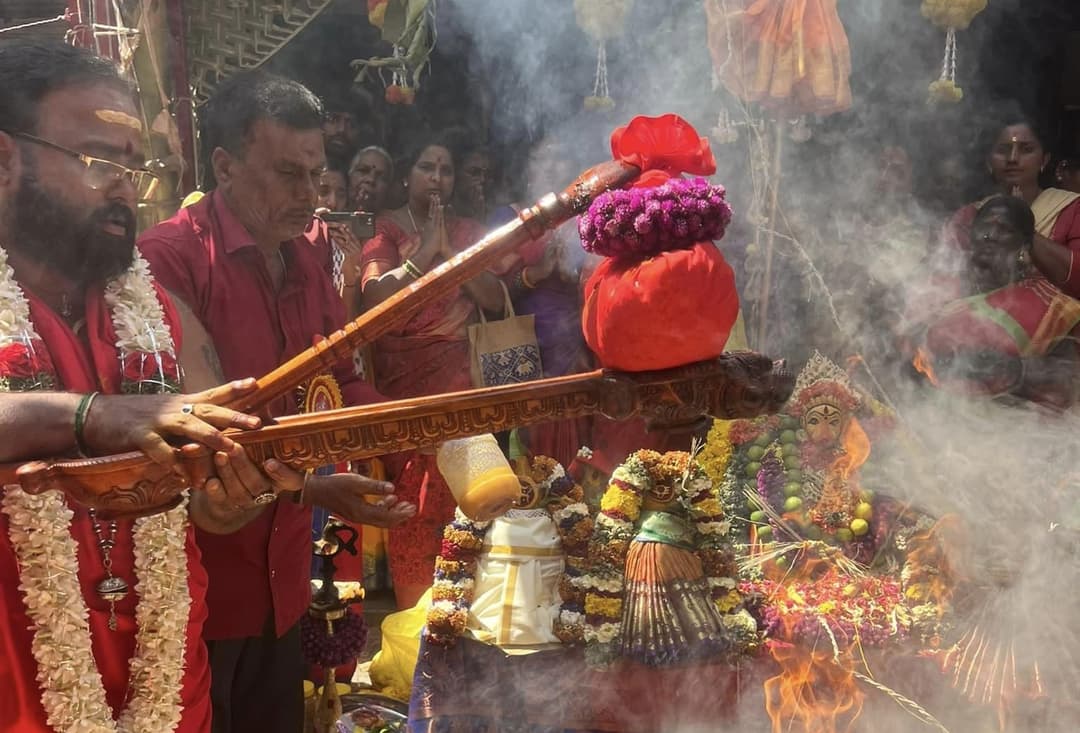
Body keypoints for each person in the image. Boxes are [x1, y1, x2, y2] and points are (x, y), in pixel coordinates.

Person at [0, 40, 294, 733]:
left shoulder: (155, 311)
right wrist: (97, 416)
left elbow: (204, 471)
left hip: (158, 671)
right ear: (5, 160)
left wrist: (225, 496)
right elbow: (130, 419)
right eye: (99, 160)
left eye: (134, 167)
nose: (123, 187)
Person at [139, 71, 416, 733]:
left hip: (283, 576)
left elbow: (338, 381)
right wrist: (314, 489)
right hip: (200, 585)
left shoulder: (306, 260)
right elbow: (203, 442)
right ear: (225, 167)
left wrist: (435, 431)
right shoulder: (170, 260)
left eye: (317, 174)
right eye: (289, 174)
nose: (309, 195)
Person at [360, 132, 503, 609]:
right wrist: (425, 254)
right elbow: (375, 299)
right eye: (427, 167)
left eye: (445, 169)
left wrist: (449, 257)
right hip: (404, 378)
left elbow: (493, 299)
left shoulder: (468, 232)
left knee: (465, 491)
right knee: (412, 497)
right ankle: (413, 614)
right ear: (407, 175)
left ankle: (461, 614)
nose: (437, 177)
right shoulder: (384, 229)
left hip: (458, 376)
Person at [914, 195, 1080, 410]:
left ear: (1025, 243)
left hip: (1010, 423)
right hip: (928, 408)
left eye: (1005, 229)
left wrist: (1012, 369)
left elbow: (1068, 378)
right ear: (972, 233)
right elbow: (902, 342)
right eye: (984, 226)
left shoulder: (1047, 301)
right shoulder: (938, 286)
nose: (990, 235)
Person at [939, 114, 1080, 299]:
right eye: (1003, 150)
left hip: (1056, 324)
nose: (1013, 158)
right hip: (979, 323)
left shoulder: (1072, 208)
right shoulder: (968, 215)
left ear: (1044, 161)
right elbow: (940, 279)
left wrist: (1022, 226)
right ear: (989, 162)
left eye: (1026, 149)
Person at [349, 145, 394, 214]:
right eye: (363, 170)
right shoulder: (330, 216)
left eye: (380, 177)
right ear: (350, 175)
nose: (371, 179)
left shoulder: (393, 222)